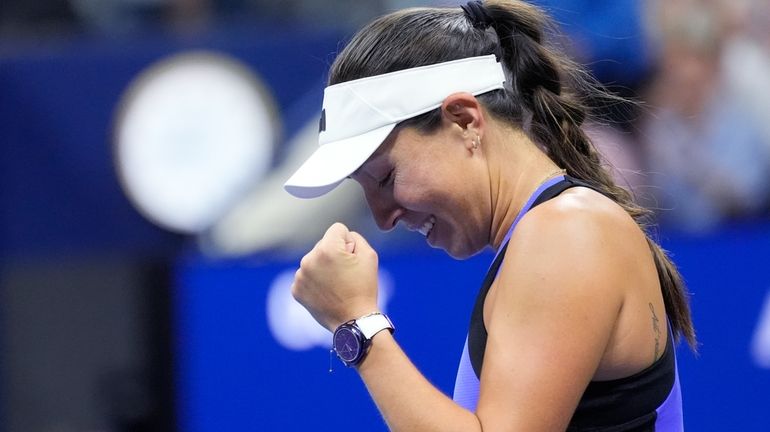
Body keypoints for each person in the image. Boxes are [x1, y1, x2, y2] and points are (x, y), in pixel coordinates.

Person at [284, 1, 696, 430]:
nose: (382, 217)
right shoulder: (555, 230)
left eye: (386, 178)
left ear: (464, 121)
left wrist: (358, 323)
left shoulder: (566, 233)